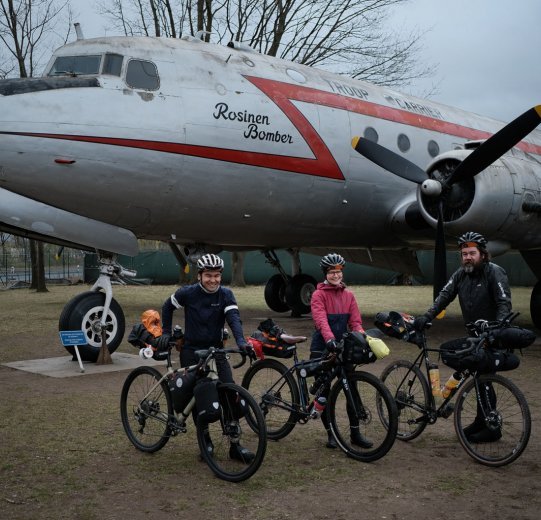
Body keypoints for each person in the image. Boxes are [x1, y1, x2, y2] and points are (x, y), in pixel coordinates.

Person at [413, 231, 512, 443]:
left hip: (493, 336)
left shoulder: (495, 273)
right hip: (474, 336)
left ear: (483, 255)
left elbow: (504, 304)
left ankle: (491, 429)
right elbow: (444, 296)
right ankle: (481, 421)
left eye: (472, 253)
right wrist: (427, 316)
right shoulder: (460, 274)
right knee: (478, 377)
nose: (467, 257)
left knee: (484, 378)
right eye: (464, 253)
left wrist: (498, 329)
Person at [161, 253, 254, 462]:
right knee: (200, 398)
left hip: (217, 350)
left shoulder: (226, 295)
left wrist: (241, 342)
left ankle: (235, 446)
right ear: (199, 276)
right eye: (209, 275)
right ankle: (205, 442)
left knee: (230, 394)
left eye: (217, 275)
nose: (213, 280)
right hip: (192, 351)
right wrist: (166, 333)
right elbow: (167, 307)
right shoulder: (188, 293)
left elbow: (234, 319)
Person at [310, 253, 373, 450]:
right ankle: (331, 434)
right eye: (332, 272)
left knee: (351, 390)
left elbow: (355, 323)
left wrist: (363, 338)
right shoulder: (318, 295)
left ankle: (355, 434)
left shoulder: (349, 296)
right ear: (325, 274)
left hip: (344, 348)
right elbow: (321, 320)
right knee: (325, 392)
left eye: (338, 272)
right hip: (323, 347)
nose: (336, 276)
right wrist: (329, 340)